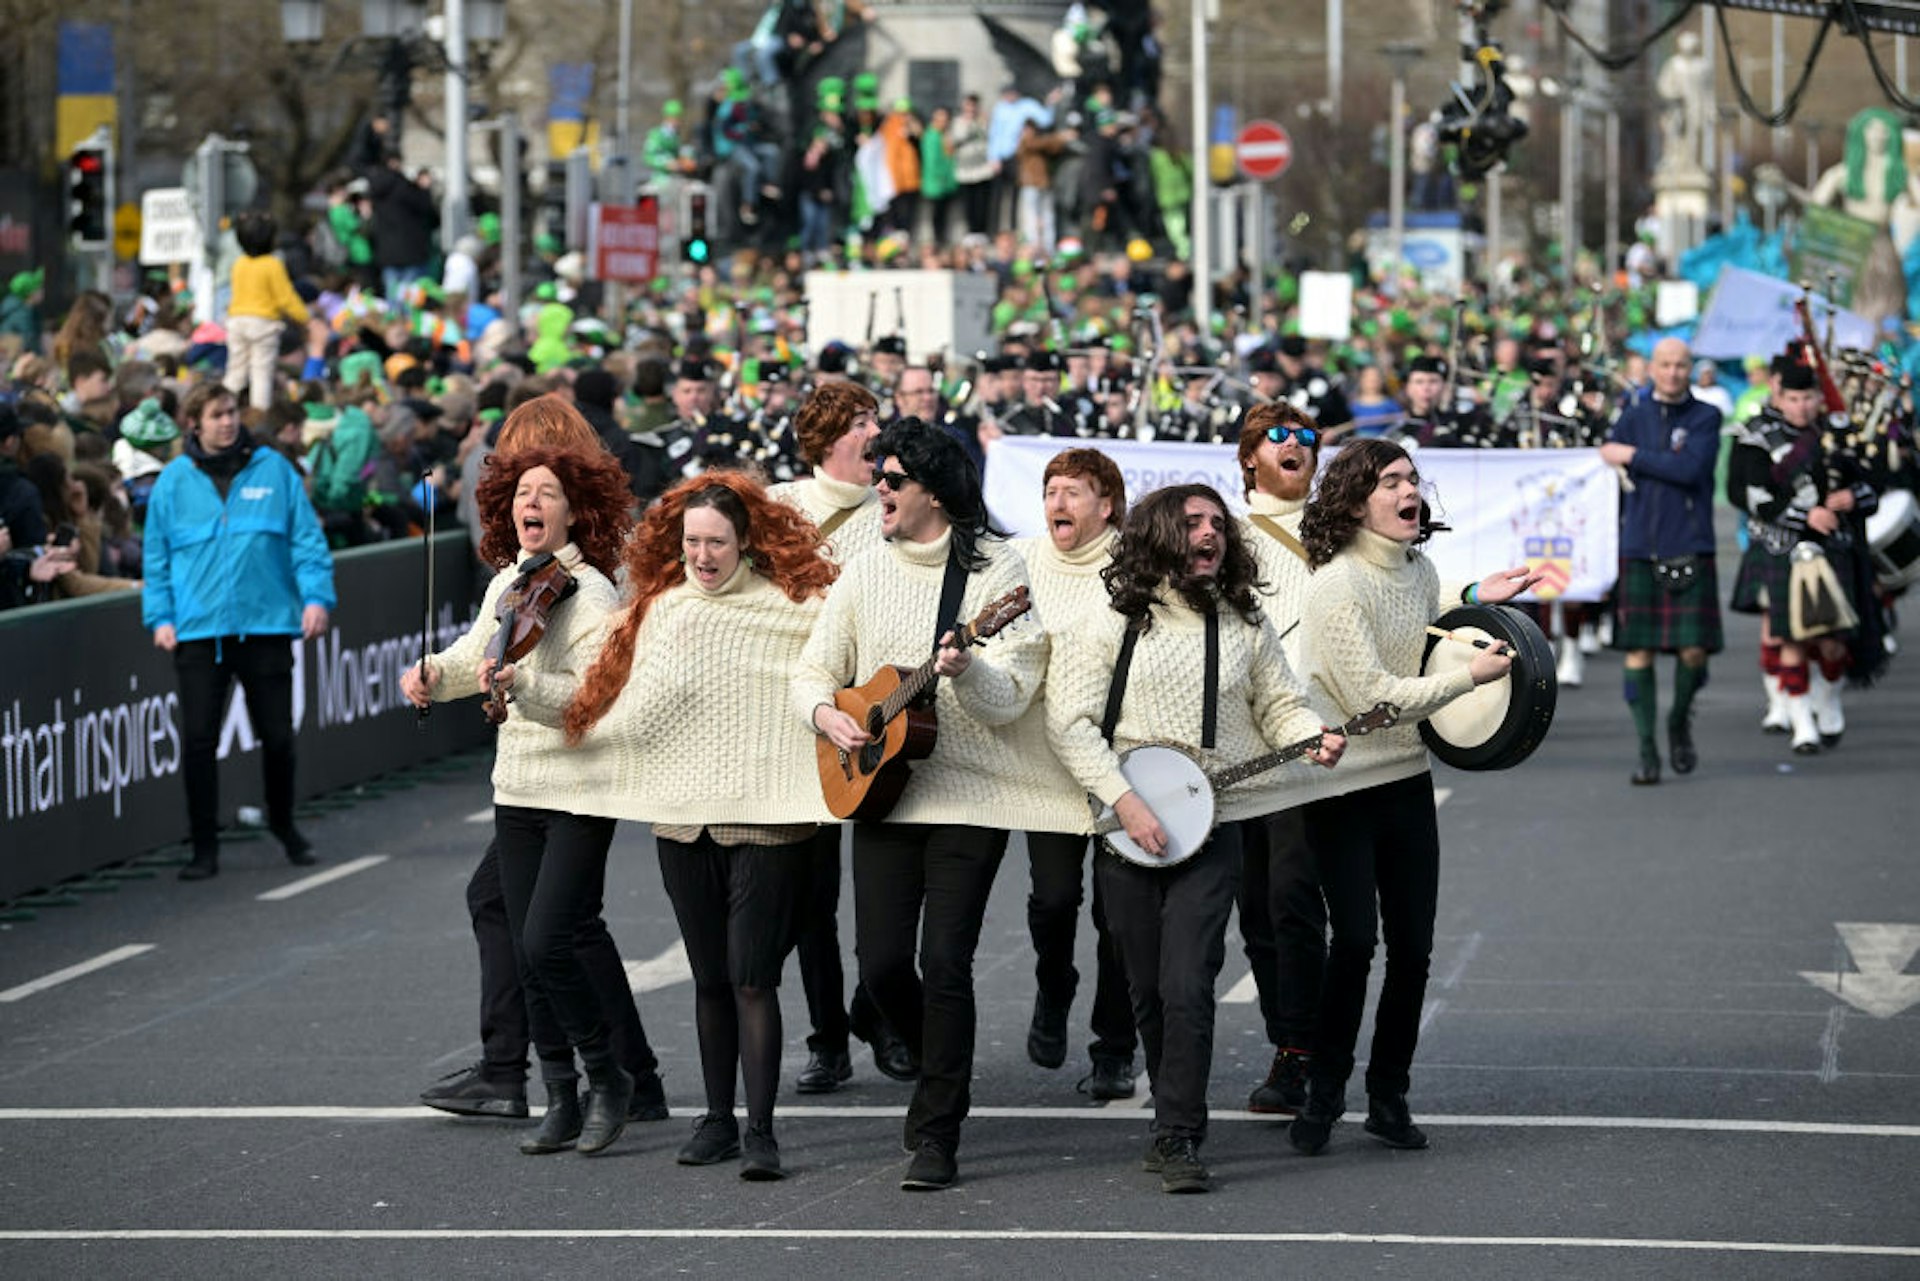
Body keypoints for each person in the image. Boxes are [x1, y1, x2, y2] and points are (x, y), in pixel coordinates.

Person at [792, 418, 1082, 1191]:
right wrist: (827, 715)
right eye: (876, 477)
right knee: (883, 962)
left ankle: (937, 1127)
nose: (877, 490)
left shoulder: (997, 568)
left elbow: (1011, 693)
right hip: (881, 789)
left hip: (970, 795)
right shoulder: (864, 567)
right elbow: (813, 670)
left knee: (944, 960)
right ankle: (938, 1059)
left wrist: (962, 672)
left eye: (890, 479)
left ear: (932, 491)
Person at [1046, 483, 1344, 1193]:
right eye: (1192, 523)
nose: (1210, 532)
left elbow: (1279, 703)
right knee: (1145, 987)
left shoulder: (1243, 620)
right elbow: (1070, 721)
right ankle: (1171, 1103)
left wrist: (1310, 738)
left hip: (1213, 829)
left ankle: (1178, 1131)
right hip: (1125, 830)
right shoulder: (1112, 617)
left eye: (1218, 523)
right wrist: (1124, 801)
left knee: (1188, 983)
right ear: (1158, 535)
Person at [565, 473, 837, 1180]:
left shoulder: (797, 606)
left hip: (772, 819)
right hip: (684, 822)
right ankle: (717, 1119)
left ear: (745, 541)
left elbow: (841, 665)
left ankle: (761, 1130)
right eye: (692, 542)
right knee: (710, 978)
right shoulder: (665, 610)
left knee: (753, 977)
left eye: (717, 541)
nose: (703, 554)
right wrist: (559, 726)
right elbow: (632, 711)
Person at [414, 396, 669, 1131]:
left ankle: (598, 1075)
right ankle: (583, 1083)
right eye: (518, 485)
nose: (529, 494)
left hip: (577, 782)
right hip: (521, 781)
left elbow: (593, 696)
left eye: (545, 486)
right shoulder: (512, 580)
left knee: (550, 931)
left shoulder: (587, 588)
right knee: (548, 929)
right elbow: (474, 657)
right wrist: (433, 672)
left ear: (572, 502)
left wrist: (520, 683)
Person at [1289, 439, 1539, 1157]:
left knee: (1414, 948)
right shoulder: (1336, 584)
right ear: (1355, 500)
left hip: (1404, 778)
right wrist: (1471, 678)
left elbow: (1428, 613)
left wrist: (1472, 599)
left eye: (1412, 479)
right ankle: (1324, 1091)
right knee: (1357, 943)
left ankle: (1388, 1095)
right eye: (1391, 481)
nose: (1410, 491)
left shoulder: (1418, 565)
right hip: (1340, 782)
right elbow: (1376, 696)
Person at [767, 380, 915, 1093]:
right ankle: (829, 1034)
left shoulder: (892, 506)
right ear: (826, 437)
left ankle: (877, 1008)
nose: (875, 432)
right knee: (809, 895)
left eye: (875, 419)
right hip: (798, 716)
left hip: (873, 714)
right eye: (860, 422)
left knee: (883, 888)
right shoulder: (779, 506)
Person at [142, 383, 335, 881]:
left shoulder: (274, 469)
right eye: (216, 415)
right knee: (199, 741)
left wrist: (316, 599)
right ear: (194, 423)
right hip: (199, 632)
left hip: (267, 625)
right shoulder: (172, 482)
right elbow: (156, 557)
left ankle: (284, 825)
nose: (227, 422)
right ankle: (203, 847)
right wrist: (159, 617)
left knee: (278, 738)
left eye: (231, 413)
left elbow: (307, 541)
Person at [1008, 449, 1138, 1100]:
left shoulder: (1135, 566)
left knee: (1119, 915)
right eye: (1051, 489)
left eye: (1074, 492)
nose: (1058, 501)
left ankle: (1114, 1045)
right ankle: (1053, 981)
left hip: (1121, 760)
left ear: (1107, 504)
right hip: (1045, 761)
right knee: (1054, 898)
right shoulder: (1024, 559)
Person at [1231, 403, 1330, 1117]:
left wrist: (1475, 596)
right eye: (1280, 437)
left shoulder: (1340, 528)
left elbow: (1411, 582)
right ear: (1249, 458)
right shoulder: (1219, 533)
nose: (1296, 446)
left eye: (1306, 438)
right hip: (1238, 745)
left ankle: (1303, 1050)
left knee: (1298, 901)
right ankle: (1290, 1038)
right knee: (1257, 909)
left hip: (1319, 742)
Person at [1727, 352, 1881, 754]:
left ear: (1818, 398)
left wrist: (1853, 496)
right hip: (1785, 549)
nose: (1801, 406)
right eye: (1793, 399)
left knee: (1833, 642)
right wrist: (1805, 514)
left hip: (1835, 550)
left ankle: (1827, 699)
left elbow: (1872, 486)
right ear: (1780, 397)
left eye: (1809, 398)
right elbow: (1745, 493)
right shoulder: (1757, 437)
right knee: (1791, 638)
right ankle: (1800, 723)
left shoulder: (1839, 435)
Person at [1600, 337, 1723, 785]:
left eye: (1680, 365)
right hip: (1638, 545)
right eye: (1665, 364)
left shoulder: (1707, 416)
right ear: (1651, 368)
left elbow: (1690, 469)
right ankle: (1647, 750)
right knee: (1638, 652)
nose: (1673, 372)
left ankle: (1678, 721)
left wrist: (1631, 455)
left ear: (1690, 368)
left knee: (1693, 650)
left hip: (1691, 542)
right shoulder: (1631, 418)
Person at [223, 212, 310, 413]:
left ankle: (222, 407)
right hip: (263, 323)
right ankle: (259, 415)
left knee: (235, 371)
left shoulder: (239, 264)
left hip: (236, 320)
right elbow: (285, 298)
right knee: (261, 373)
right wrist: (306, 318)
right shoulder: (272, 264)